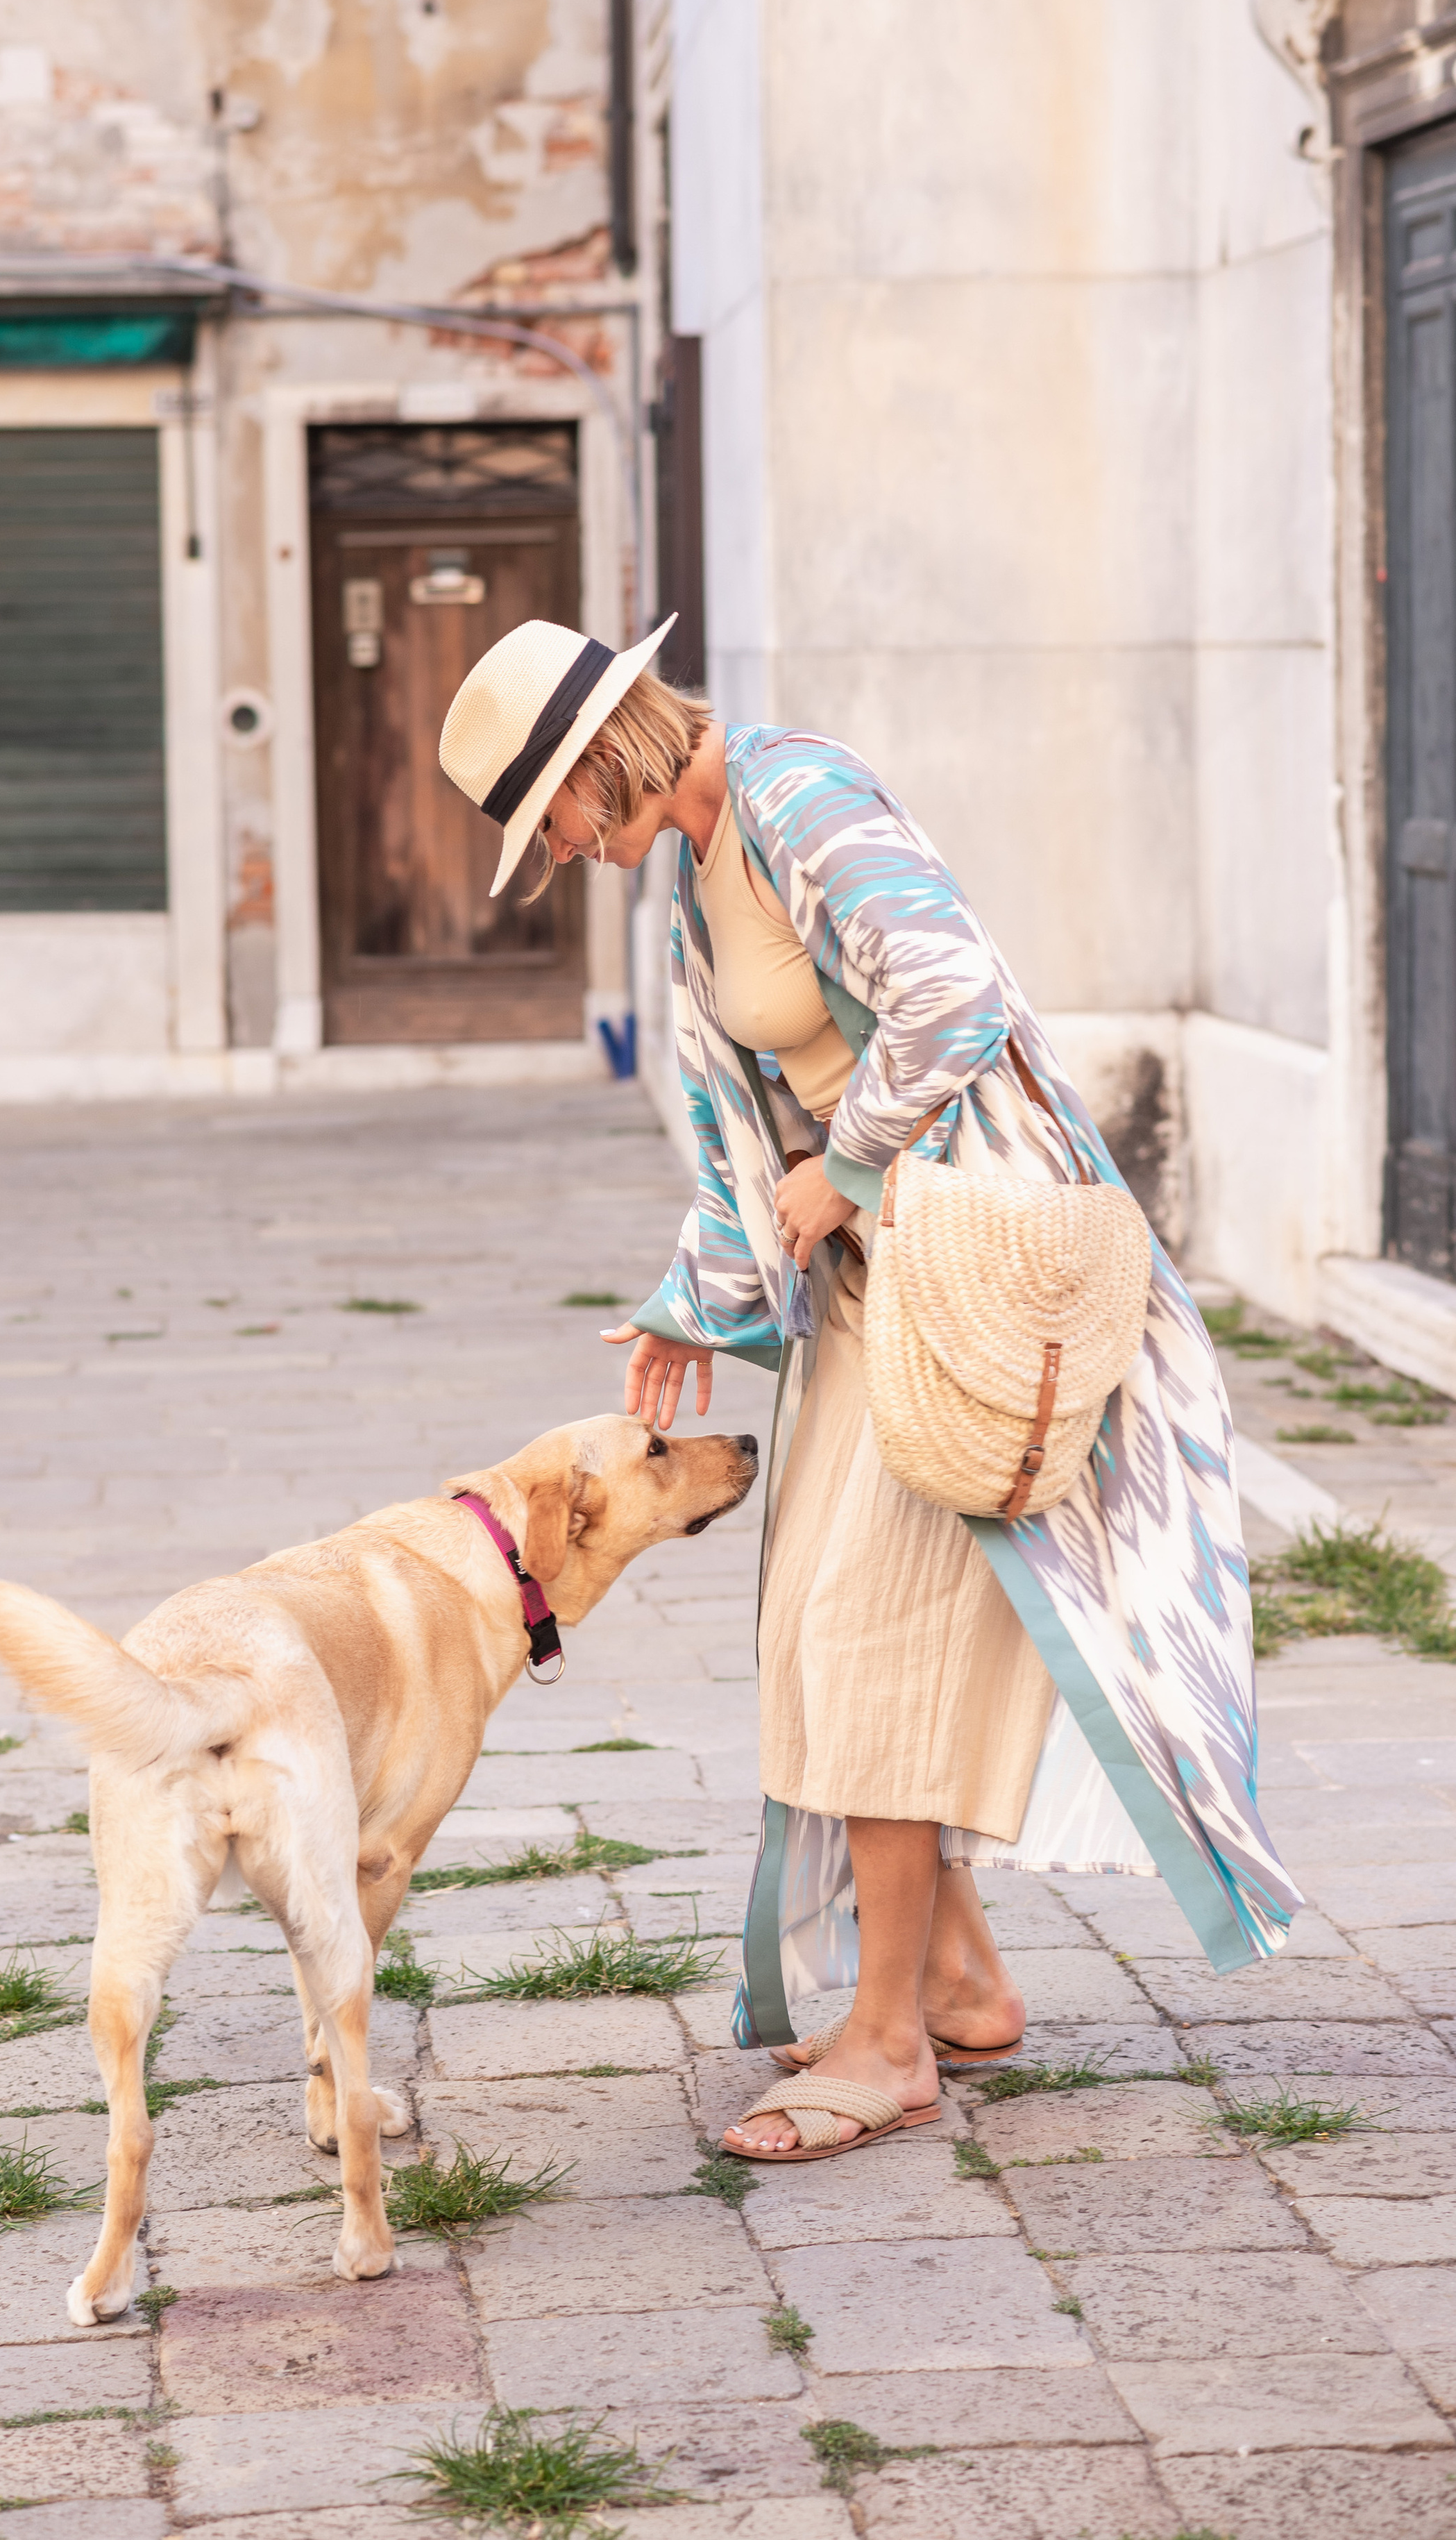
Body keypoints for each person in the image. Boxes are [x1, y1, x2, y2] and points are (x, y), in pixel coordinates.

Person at [438, 616, 1300, 2165]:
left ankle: (891, 2041)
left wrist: (845, 1167)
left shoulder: (798, 792)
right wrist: (690, 1300)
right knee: (808, 1635)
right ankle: (955, 1981)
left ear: (597, 756)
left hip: (961, 1270)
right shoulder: (697, 871)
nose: (555, 854)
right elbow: (744, 1126)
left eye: (545, 818)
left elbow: (954, 994)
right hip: (865, 1283)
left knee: (870, 1636)